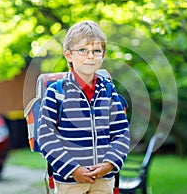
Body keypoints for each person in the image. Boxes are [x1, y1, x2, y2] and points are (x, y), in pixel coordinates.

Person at [38, 20, 130, 194]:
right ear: (68, 55)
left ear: (103, 55)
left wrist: (109, 164)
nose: (90, 56)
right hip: (69, 182)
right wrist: (73, 169)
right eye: (83, 50)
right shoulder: (56, 92)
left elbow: (121, 133)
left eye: (96, 51)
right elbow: (46, 136)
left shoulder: (108, 91)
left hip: (103, 180)